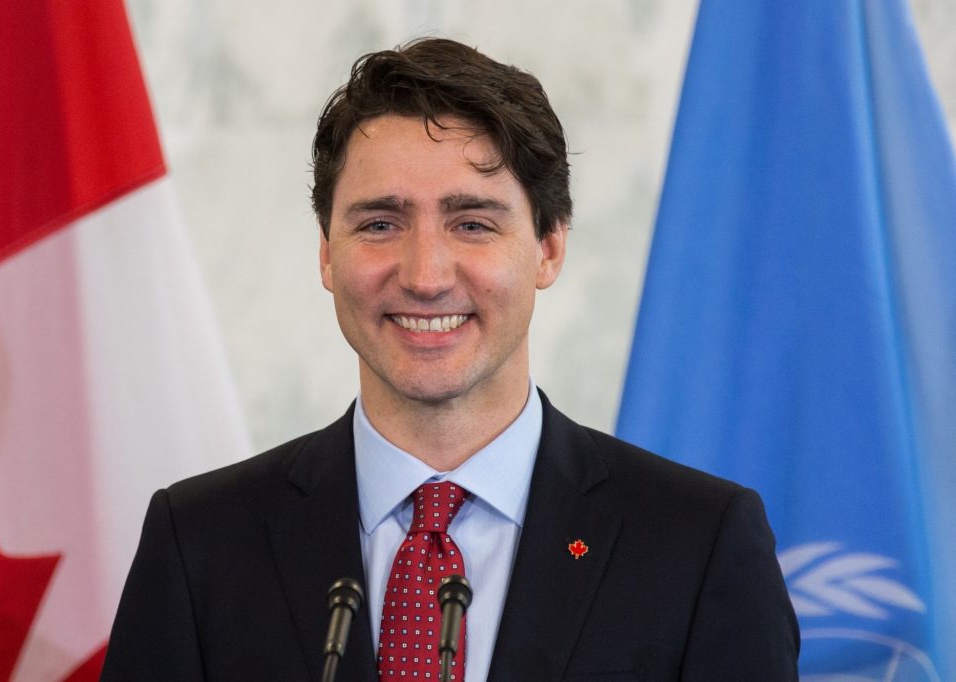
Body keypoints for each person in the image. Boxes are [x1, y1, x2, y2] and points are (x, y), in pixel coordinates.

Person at [101, 38, 798, 680]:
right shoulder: (199, 545)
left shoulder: (698, 544)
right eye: (380, 223)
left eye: (472, 223)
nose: (426, 274)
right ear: (325, 251)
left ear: (549, 248)